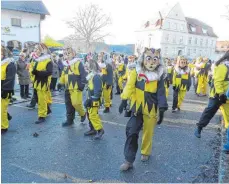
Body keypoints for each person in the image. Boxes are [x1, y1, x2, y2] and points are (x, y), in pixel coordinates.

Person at [119, 48, 168, 171]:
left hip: (151, 108)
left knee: (148, 131)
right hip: (137, 107)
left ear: (158, 61)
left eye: (155, 59)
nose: (151, 62)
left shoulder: (159, 76)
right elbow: (129, 86)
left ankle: (145, 151)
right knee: (131, 131)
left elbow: (161, 93)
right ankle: (129, 160)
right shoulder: (136, 72)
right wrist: (124, 99)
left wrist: (161, 109)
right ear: (144, 60)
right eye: (149, 58)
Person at [194, 51, 229, 139]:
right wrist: (221, 94)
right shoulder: (223, 67)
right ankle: (199, 127)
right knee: (209, 111)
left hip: (227, 96)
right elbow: (217, 82)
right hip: (218, 95)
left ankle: (227, 134)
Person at [59, 47, 87, 126]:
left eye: (69, 53)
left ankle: (83, 113)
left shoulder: (78, 63)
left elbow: (83, 75)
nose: (67, 55)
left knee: (76, 103)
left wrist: (81, 85)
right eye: (66, 54)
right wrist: (60, 83)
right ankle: (69, 120)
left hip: (76, 87)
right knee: (68, 104)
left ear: (73, 54)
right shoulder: (65, 64)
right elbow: (63, 75)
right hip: (67, 87)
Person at [31, 43, 53, 124]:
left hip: (43, 82)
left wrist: (37, 72)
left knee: (41, 99)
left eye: (37, 49)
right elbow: (32, 69)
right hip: (36, 82)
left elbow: (49, 72)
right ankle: (47, 110)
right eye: (35, 49)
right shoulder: (36, 59)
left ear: (41, 50)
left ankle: (42, 116)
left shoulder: (48, 60)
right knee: (37, 98)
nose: (35, 51)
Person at [84, 59, 104, 139]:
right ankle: (93, 129)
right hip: (91, 98)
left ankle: (100, 130)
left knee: (93, 115)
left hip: (94, 99)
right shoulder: (91, 75)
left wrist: (93, 99)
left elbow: (98, 90)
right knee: (89, 114)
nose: (86, 65)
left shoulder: (96, 77)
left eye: (87, 64)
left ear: (91, 66)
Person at [1, 46, 16, 133]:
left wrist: (5, 90)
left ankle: (3, 127)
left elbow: (10, 79)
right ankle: (7, 116)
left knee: (2, 109)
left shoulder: (10, 64)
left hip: (4, 89)